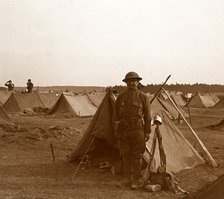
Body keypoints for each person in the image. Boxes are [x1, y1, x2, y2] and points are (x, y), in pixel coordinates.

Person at [115, 71, 152, 190]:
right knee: (125, 155)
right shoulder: (120, 97)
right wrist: (117, 131)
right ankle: (126, 179)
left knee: (137, 156)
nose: (131, 83)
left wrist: (147, 132)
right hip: (124, 130)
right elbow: (116, 117)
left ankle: (135, 180)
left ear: (137, 82)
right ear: (126, 83)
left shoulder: (143, 97)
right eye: (129, 81)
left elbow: (148, 116)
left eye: (134, 81)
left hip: (138, 131)